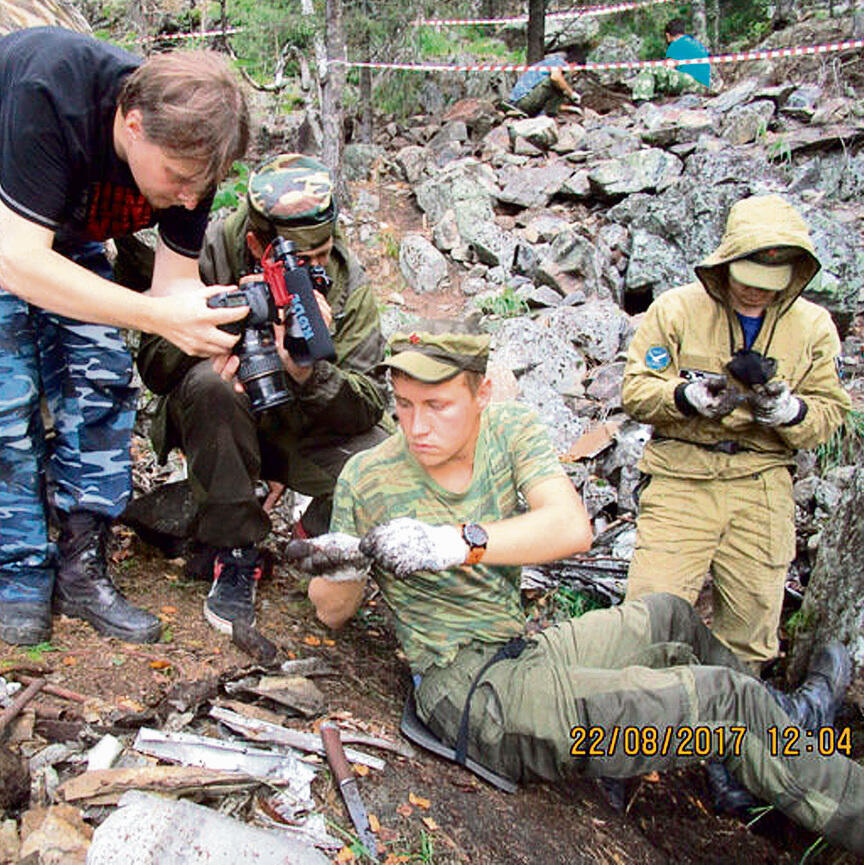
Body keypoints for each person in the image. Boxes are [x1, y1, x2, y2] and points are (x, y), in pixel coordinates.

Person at [284, 330, 864, 856]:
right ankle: (809, 774)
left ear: (481, 394)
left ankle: (778, 734)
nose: (417, 428)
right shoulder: (367, 476)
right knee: (721, 704)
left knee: (667, 617)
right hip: (470, 695)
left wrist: (453, 544)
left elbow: (570, 527)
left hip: (519, 651)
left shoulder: (508, 432)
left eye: (437, 406)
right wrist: (348, 564)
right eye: (403, 405)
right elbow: (331, 615)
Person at [0, 27, 250, 646]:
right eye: (177, 179)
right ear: (132, 124)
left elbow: (174, 287)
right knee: (9, 391)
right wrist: (156, 317)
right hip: (9, 229)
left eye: (200, 184)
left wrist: (224, 338)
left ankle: (82, 567)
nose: (188, 196)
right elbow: (19, 262)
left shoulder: (194, 147)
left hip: (68, 228)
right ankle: (17, 571)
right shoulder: (48, 93)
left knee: (103, 370)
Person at [134, 154, 391, 635]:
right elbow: (152, 361)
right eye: (300, 258)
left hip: (296, 422)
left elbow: (371, 400)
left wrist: (309, 372)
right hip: (220, 417)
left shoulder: (347, 280)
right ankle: (235, 552)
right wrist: (210, 333)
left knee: (385, 455)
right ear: (256, 242)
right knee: (213, 385)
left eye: (322, 254)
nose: (314, 269)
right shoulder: (211, 249)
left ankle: (314, 536)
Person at [622, 194, 850, 667]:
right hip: (681, 478)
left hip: (762, 485)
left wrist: (790, 412)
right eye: (747, 281)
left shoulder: (814, 328)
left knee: (750, 632)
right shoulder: (676, 310)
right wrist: (686, 399)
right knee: (647, 622)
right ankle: (644, 728)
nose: (756, 293)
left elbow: (830, 415)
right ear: (724, 263)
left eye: (770, 286)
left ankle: (732, 731)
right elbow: (636, 391)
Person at [631, 18, 710, 101]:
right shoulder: (696, 43)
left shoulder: (676, 44)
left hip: (693, 83)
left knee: (650, 69)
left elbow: (668, 66)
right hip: (703, 85)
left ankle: (641, 99)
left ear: (668, 36)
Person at [506, 46, 582, 117]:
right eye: (577, 72)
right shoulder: (559, 63)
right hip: (521, 102)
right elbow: (555, 78)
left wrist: (572, 109)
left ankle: (545, 115)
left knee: (561, 84)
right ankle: (546, 115)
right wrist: (571, 93)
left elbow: (553, 103)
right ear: (574, 65)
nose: (575, 75)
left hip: (524, 101)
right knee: (561, 81)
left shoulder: (552, 63)